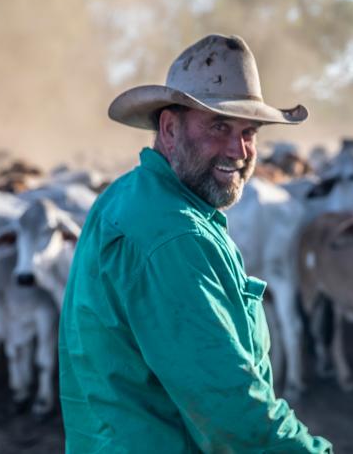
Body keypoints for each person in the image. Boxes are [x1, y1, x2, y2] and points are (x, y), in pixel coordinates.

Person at [59, 34, 332, 453]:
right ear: (169, 129)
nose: (238, 150)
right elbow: (232, 408)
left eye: (249, 132)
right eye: (218, 127)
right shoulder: (173, 235)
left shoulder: (127, 196)